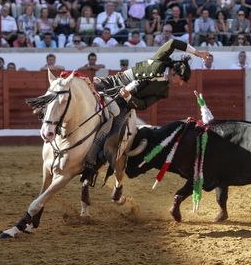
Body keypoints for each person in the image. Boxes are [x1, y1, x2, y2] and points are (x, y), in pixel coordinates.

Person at [81, 38, 212, 183]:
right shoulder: (160, 60)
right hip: (117, 81)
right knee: (83, 90)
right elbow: (173, 43)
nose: (180, 84)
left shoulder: (164, 91)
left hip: (125, 103)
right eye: (181, 79)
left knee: (114, 135)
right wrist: (197, 53)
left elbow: (143, 105)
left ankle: (92, 165)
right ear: (174, 72)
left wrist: (129, 97)